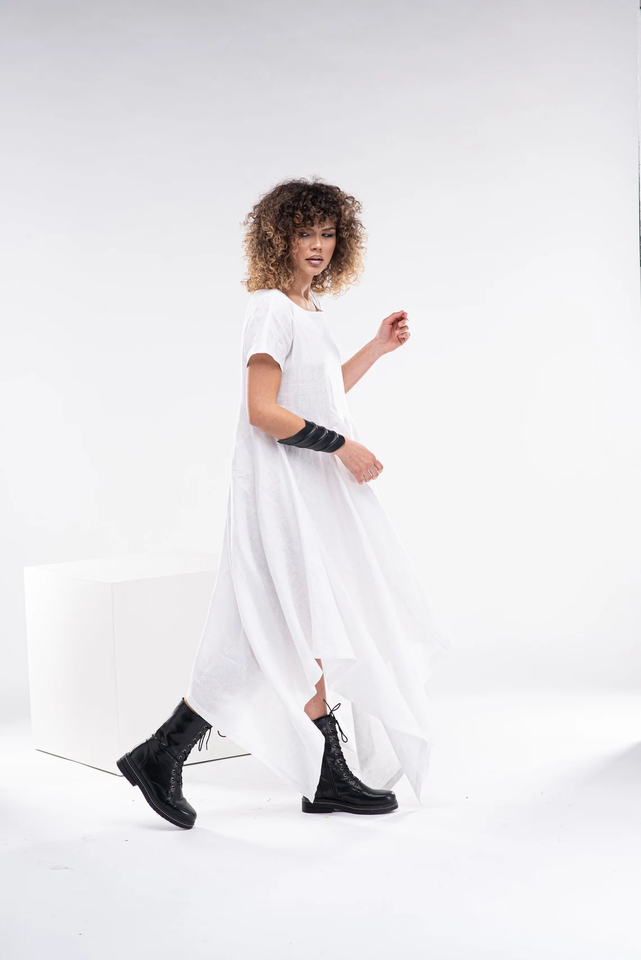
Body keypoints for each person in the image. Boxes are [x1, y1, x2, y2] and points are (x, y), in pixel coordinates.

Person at [117, 177, 451, 829]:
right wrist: (343, 447)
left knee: (296, 625)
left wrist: (376, 349)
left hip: (306, 493)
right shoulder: (270, 307)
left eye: (327, 233)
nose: (318, 245)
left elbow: (320, 394)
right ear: (279, 238)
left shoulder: (306, 311)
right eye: (304, 233)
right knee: (283, 625)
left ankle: (178, 756)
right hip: (278, 493)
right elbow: (264, 412)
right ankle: (201, 758)